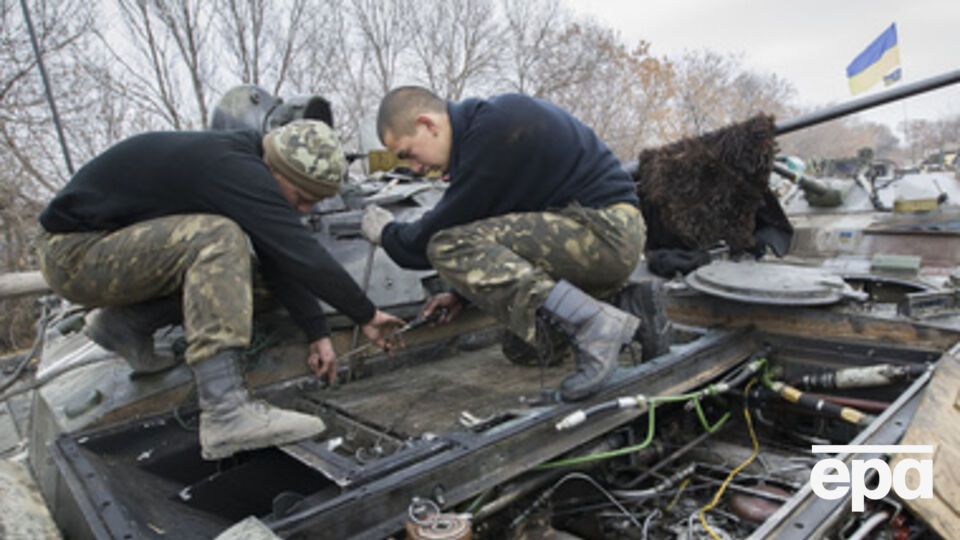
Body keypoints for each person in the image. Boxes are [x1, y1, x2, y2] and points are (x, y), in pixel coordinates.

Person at [38, 120, 405, 459]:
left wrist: (317, 332)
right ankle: (226, 412)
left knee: (249, 277)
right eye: (301, 197)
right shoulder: (234, 168)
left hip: (108, 251)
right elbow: (301, 252)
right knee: (218, 238)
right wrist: (368, 314)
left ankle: (126, 326)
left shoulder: (245, 159)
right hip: (76, 255)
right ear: (277, 170)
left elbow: (278, 255)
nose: (304, 209)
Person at [362, 87, 645, 401]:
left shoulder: (494, 129)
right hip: (595, 239)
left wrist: (386, 232)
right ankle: (630, 308)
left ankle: (592, 323)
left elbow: (433, 237)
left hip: (605, 232)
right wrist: (461, 295)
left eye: (408, 154)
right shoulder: (488, 134)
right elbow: (505, 231)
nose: (414, 168)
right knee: (526, 349)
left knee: (446, 245)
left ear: (428, 124)